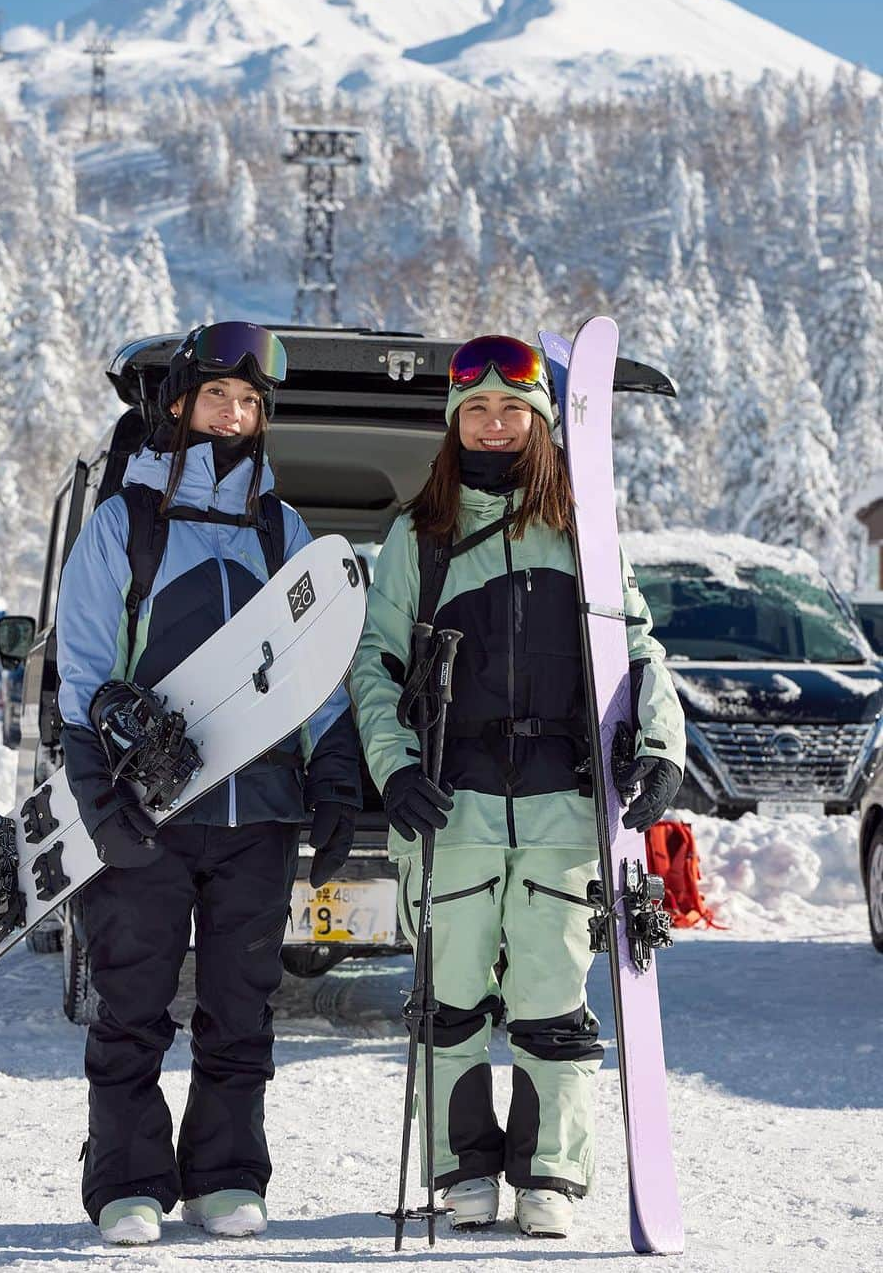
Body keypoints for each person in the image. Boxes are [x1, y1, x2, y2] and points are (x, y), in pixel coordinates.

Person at [350, 333, 685, 1240]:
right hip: (449, 803)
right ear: (453, 423)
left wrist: (657, 746)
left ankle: (548, 1174)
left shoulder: (585, 530)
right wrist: (395, 767)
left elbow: (639, 651)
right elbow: (375, 667)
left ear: (540, 427)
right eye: (477, 412)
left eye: (513, 413)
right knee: (449, 997)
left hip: (561, 803)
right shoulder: (418, 537)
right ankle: (462, 1171)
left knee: (549, 994)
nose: (494, 427)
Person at [56, 321, 362, 1246]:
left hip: (259, 812)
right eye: (219, 397)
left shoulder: (284, 529)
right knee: (132, 1003)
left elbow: (318, 669)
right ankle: (127, 1180)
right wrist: (93, 792)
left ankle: (228, 1172)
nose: (235, 415)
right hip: (148, 811)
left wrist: (338, 774)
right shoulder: (126, 523)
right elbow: (81, 667)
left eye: (251, 403)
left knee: (242, 1003)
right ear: (179, 404)